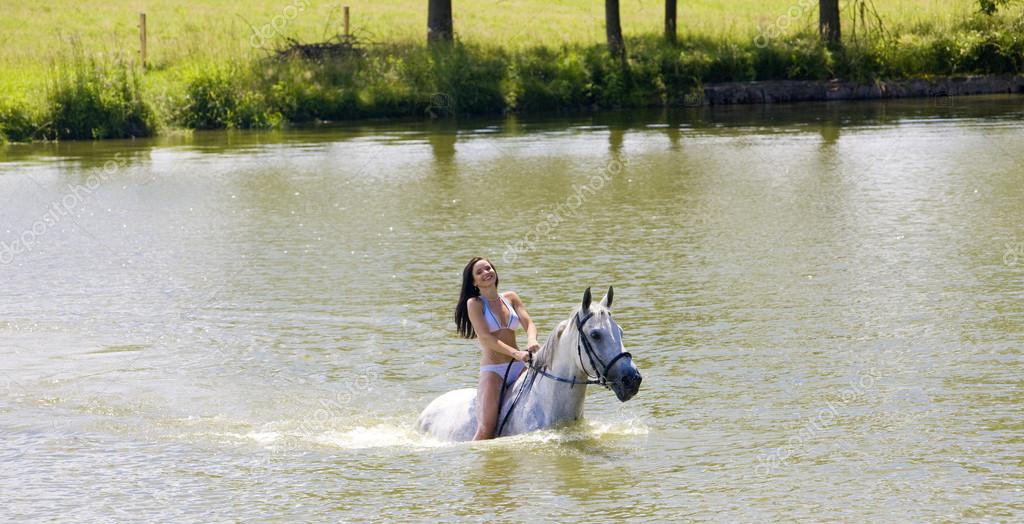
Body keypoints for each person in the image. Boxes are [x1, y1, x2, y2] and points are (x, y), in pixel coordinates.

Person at [454, 256, 540, 440]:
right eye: (480, 272)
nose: (486, 273)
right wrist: (516, 353)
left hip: (519, 367)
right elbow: (486, 338)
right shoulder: (474, 304)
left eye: (488, 268)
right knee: (487, 428)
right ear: (474, 282)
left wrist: (531, 339)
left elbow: (529, 323)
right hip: (494, 370)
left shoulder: (511, 297)